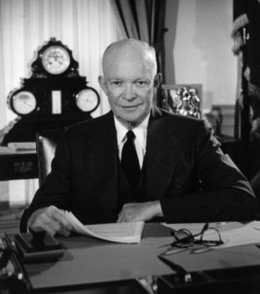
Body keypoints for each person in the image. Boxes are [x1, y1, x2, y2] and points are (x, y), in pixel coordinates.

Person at [20, 38, 258, 236]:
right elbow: (36, 212)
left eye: (140, 83)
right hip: (97, 264)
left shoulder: (192, 133)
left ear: (156, 82)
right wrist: (36, 217)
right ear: (103, 85)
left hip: (168, 260)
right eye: (117, 83)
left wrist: (158, 207)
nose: (128, 95)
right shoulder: (76, 139)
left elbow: (243, 199)